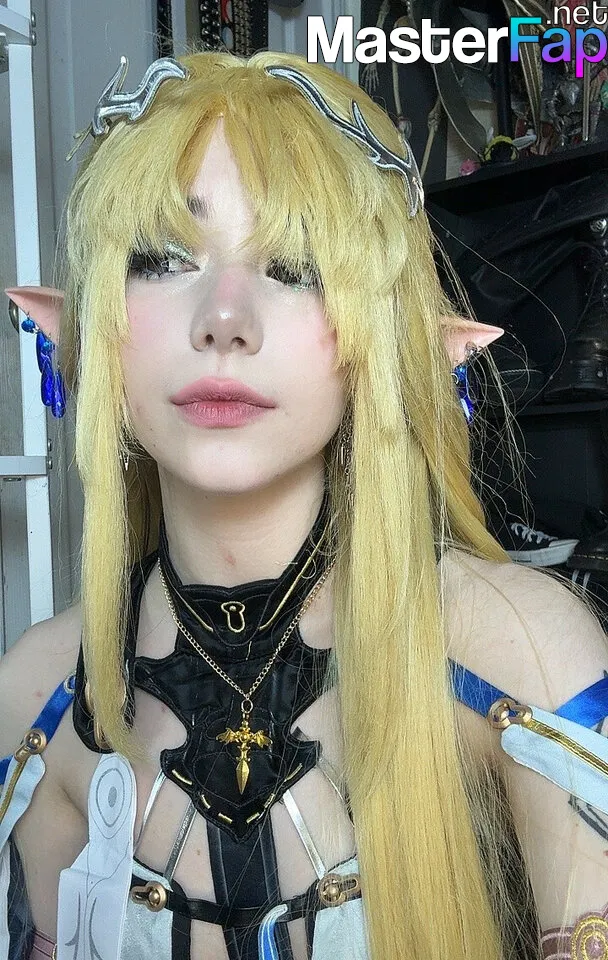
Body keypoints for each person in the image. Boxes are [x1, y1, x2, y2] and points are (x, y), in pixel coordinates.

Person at [1, 49, 608, 960]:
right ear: (82, 331)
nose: (224, 319)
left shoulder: (518, 654)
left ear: (387, 339)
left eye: (296, 266)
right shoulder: (37, 696)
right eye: (162, 258)